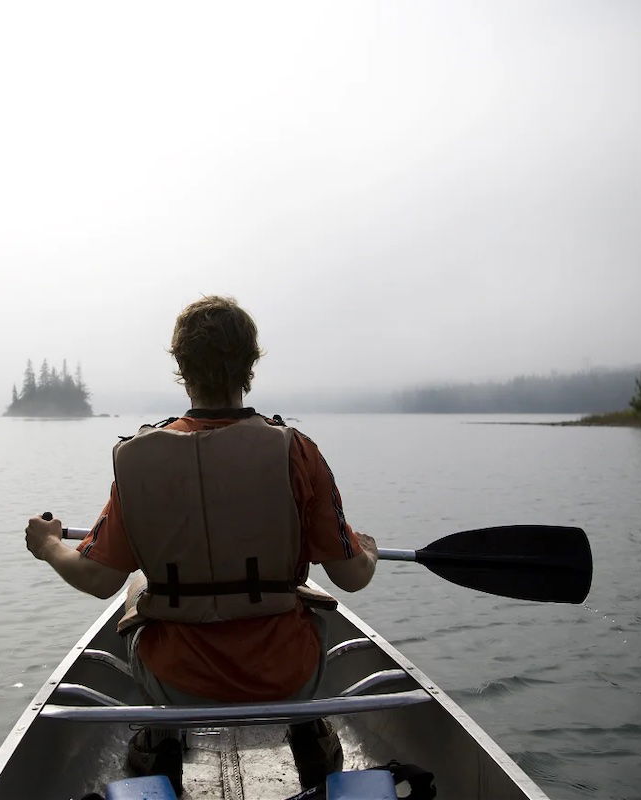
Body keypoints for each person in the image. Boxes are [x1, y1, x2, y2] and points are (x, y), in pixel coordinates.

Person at [24, 295, 378, 795]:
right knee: (310, 598)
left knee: (141, 582)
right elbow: (350, 576)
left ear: (181, 366)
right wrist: (369, 551)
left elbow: (98, 578)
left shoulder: (137, 458)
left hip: (177, 683)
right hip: (288, 678)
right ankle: (309, 731)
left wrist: (49, 546)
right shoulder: (297, 451)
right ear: (250, 366)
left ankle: (161, 738)